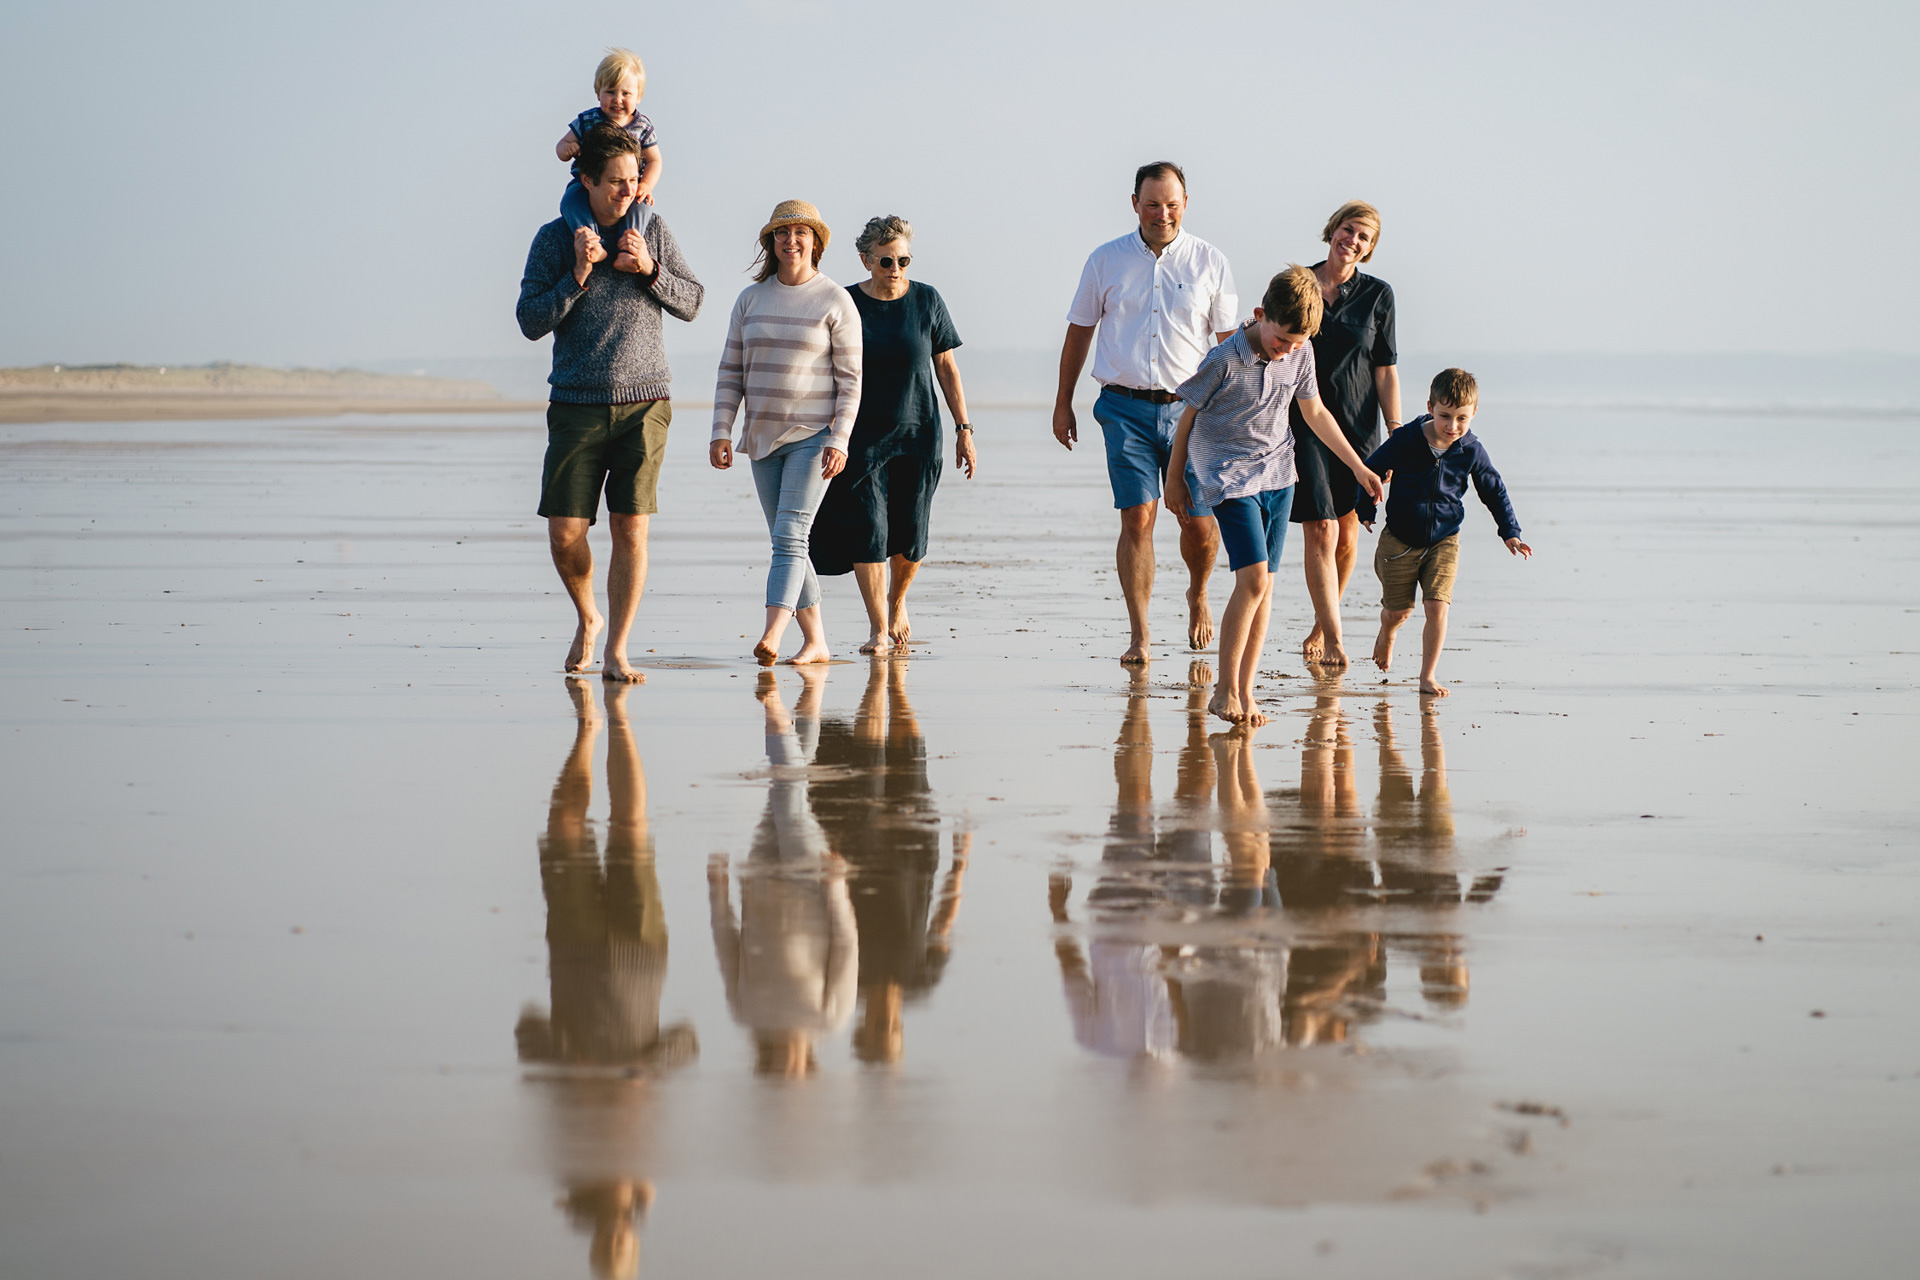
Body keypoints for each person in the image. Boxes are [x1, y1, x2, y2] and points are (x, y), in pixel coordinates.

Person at [517, 124, 704, 682]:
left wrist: (649, 269)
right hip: (575, 401)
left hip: (645, 402)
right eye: (616, 183)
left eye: (633, 180)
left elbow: (692, 301)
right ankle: (587, 616)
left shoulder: (652, 229)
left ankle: (619, 650)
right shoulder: (554, 238)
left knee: (631, 528)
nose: (629, 191)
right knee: (565, 532)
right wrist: (576, 276)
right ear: (586, 181)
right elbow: (529, 321)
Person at [1163, 267, 1384, 727]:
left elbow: (1315, 412)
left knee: (1265, 587)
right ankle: (1224, 688)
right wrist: (1174, 477)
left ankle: (1246, 689)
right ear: (1261, 314)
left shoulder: (1300, 355)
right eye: (1282, 340)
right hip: (1226, 476)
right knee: (1254, 581)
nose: (1287, 350)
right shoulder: (1224, 358)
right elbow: (1187, 416)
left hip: (1279, 475)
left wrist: (1358, 466)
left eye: (1298, 343)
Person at [1053, 162, 1239, 665]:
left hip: (1193, 412)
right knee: (1137, 517)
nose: (1163, 214)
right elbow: (1079, 331)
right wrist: (1063, 401)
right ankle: (1140, 633)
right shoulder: (1105, 260)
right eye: (1153, 204)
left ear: (1186, 203)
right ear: (1134, 203)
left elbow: (1230, 346)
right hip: (1124, 407)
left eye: (1172, 204)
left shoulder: (1209, 262)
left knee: (1197, 524)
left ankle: (1198, 593)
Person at [808, 215, 977, 654]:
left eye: (903, 259)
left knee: (911, 533)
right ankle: (878, 628)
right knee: (870, 531)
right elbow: (818, 367)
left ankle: (897, 601)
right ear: (866, 260)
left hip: (919, 433)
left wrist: (964, 429)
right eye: (886, 260)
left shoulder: (927, 300)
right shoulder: (844, 303)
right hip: (859, 436)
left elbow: (947, 368)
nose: (895, 268)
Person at [710, 200, 861, 665]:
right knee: (787, 541)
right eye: (781, 233)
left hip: (813, 435)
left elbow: (851, 380)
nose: (790, 241)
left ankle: (772, 632)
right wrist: (721, 429)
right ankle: (816, 641)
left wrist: (839, 439)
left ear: (816, 242)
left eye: (800, 233)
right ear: (770, 243)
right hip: (760, 438)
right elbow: (730, 369)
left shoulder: (835, 299)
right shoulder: (750, 300)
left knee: (791, 535)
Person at [1357, 367, 1531, 697]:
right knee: (1399, 612)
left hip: (1445, 540)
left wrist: (1510, 531)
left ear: (1474, 413)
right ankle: (1387, 631)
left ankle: (1427, 676)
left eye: (1462, 418)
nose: (1453, 426)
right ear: (1430, 407)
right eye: (1445, 416)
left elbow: (1493, 489)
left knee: (1437, 607)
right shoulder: (1406, 440)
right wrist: (1365, 509)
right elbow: (1371, 470)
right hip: (1399, 539)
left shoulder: (1470, 449)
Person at [1288, 201, 1403, 668]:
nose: (1352, 241)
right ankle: (1333, 634)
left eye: (1364, 238)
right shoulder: (1298, 284)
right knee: (1320, 526)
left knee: (1348, 534)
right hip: (1304, 424)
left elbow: (1385, 371)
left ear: (1370, 249)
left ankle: (1320, 623)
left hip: (1360, 429)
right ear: (1332, 229)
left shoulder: (1378, 295)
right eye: (1348, 230)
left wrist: (1395, 434)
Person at [555, 48, 665, 269]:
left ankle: (628, 249)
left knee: (643, 206)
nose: (617, 100)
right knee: (570, 201)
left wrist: (645, 184)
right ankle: (592, 242)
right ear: (598, 93)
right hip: (585, 183)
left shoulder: (642, 126)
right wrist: (569, 149)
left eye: (626, 94)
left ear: (639, 96)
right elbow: (561, 146)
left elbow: (654, 160)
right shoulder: (588, 120)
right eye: (610, 92)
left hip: (631, 189)